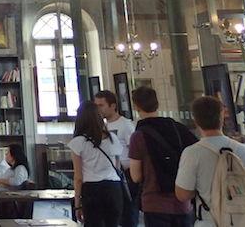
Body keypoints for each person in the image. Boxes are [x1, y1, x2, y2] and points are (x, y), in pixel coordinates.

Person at [174, 96, 245, 227]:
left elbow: (182, 194)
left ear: (195, 120)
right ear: (222, 117)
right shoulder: (244, 151)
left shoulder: (193, 153)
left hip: (211, 221)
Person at [128, 86, 197, 227]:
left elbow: (136, 176)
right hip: (182, 199)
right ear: (157, 104)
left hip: (154, 202)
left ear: (136, 106)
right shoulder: (178, 128)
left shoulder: (138, 136)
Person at [69, 101, 124, 227]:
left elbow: (78, 177)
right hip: (114, 188)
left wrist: (77, 203)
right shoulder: (112, 138)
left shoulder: (78, 142)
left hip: (92, 190)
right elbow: (117, 166)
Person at [94, 90, 138, 227]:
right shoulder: (102, 126)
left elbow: (135, 150)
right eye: (96, 105)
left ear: (113, 106)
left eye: (101, 105)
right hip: (109, 176)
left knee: (128, 213)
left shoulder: (126, 125)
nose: (98, 109)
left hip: (126, 173)